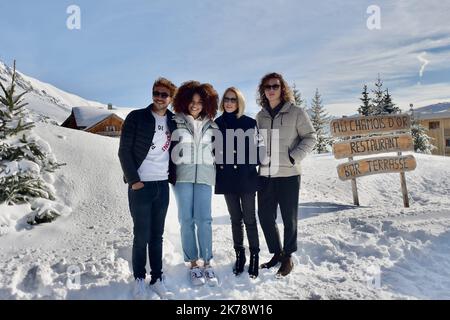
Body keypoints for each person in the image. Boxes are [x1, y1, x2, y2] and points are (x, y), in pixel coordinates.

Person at [118, 77, 177, 299]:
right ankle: (139, 279)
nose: (159, 97)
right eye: (156, 93)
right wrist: (134, 181)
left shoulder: (173, 120)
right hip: (140, 186)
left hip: (162, 185)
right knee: (141, 235)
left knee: (157, 235)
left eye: (164, 94)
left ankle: (158, 277)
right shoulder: (136, 117)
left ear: (170, 98)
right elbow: (124, 151)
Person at [255, 72, 317, 277]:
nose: (271, 90)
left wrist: (294, 157)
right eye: (267, 87)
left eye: (275, 86)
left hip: (289, 173)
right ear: (263, 91)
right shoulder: (260, 116)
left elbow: (310, 137)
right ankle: (277, 253)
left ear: (282, 89)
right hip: (265, 175)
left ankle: (288, 257)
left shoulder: (296, 112)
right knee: (265, 216)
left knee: (289, 218)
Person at [171, 80, 219, 286]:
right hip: (182, 176)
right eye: (191, 100)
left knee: (204, 220)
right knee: (186, 219)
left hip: (205, 177)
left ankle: (207, 262)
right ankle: (193, 263)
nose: (195, 105)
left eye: (199, 101)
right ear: (184, 101)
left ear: (206, 103)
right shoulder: (175, 121)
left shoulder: (213, 124)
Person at [214, 87, 263, 278]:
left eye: (233, 99)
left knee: (250, 219)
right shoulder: (217, 124)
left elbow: (260, 150)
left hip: (247, 178)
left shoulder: (250, 123)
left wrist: (248, 164)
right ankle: (240, 254)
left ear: (239, 102)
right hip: (227, 179)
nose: (229, 102)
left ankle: (255, 256)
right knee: (235, 219)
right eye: (226, 99)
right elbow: (212, 150)